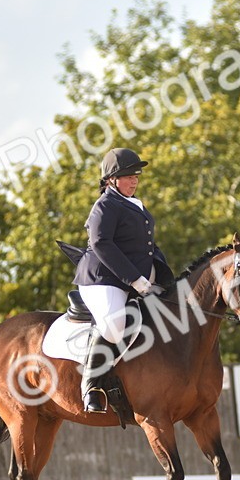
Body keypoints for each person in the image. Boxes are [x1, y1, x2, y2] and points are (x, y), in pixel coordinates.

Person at [72, 148, 174, 413]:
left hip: (133, 277)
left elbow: (146, 246)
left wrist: (164, 277)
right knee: (115, 325)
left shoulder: (135, 204)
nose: (134, 180)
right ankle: (91, 386)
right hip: (102, 278)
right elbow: (100, 243)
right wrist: (134, 279)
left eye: (136, 176)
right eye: (128, 176)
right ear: (111, 180)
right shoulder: (105, 205)